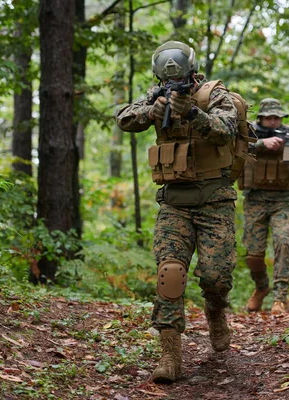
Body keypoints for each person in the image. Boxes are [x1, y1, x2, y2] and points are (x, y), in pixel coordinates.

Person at [116, 40, 238, 383]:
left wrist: (193, 114)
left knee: (216, 277)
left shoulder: (214, 94)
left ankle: (216, 311)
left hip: (215, 200)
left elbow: (226, 130)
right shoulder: (155, 96)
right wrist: (151, 111)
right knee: (169, 273)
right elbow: (125, 117)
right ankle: (170, 355)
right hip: (174, 202)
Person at [239, 98, 289, 314]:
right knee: (254, 254)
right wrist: (263, 144)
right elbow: (235, 147)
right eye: (269, 117)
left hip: (282, 200)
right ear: (261, 118)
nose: (274, 122)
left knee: (283, 242)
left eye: (277, 118)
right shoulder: (250, 132)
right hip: (255, 199)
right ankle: (261, 287)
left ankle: (279, 298)